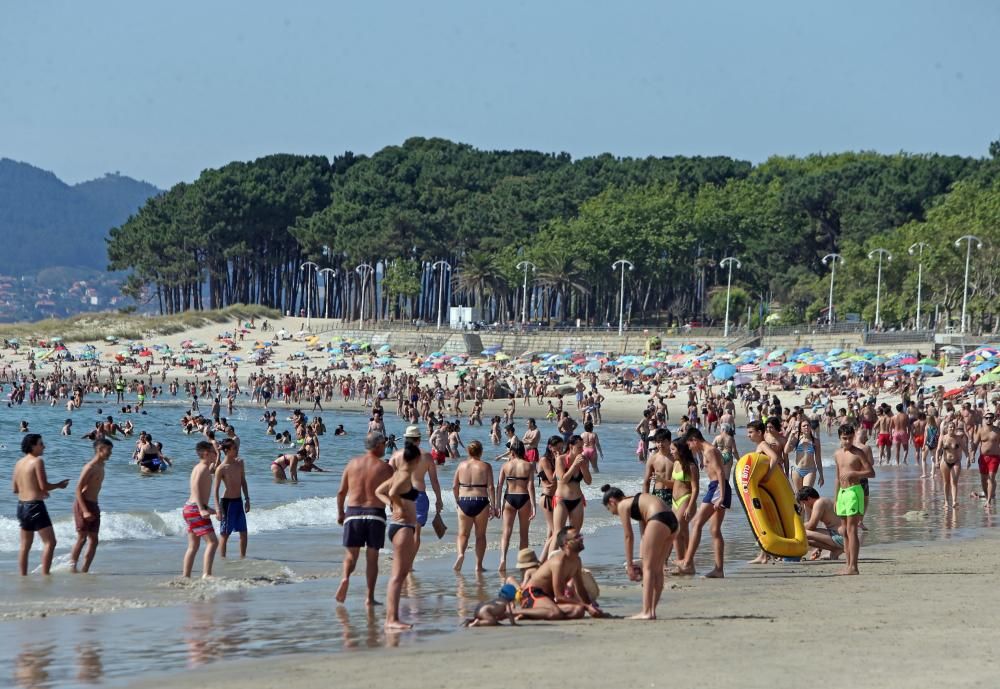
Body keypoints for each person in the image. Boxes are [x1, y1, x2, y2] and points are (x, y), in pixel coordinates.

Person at [601, 485, 677, 619]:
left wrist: (630, 565)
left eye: (609, 508)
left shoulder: (622, 505)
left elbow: (628, 536)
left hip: (658, 519)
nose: (612, 513)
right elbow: (645, 534)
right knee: (657, 568)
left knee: (648, 569)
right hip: (672, 521)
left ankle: (646, 612)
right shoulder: (636, 500)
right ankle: (651, 611)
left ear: (612, 501)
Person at [336, 431, 394, 605]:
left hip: (353, 513)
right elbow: (393, 493)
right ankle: (369, 597)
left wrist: (340, 513)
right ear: (377, 446)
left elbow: (341, 492)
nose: (385, 446)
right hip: (375, 514)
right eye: (384, 443)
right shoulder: (385, 468)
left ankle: (345, 578)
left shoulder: (352, 464)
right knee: (372, 557)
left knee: (350, 556)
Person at [376, 442, 422, 629]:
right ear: (416, 460)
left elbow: (379, 491)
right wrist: (399, 506)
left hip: (400, 526)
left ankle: (392, 618)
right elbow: (393, 492)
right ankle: (391, 619)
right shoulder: (402, 476)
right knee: (397, 576)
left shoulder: (399, 475)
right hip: (402, 527)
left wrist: (390, 504)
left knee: (400, 574)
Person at [516, 526, 603, 621]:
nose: (581, 538)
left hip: (547, 598)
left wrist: (592, 606)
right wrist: (586, 606)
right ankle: (515, 611)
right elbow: (559, 596)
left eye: (580, 535)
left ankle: (535, 613)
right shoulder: (558, 562)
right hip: (532, 594)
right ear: (566, 543)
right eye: (577, 537)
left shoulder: (577, 561)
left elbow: (580, 589)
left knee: (578, 611)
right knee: (555, 613)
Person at [675, 428, 730, 578]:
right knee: (714, 530)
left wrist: (721, 496)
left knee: (696, 523)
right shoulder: (706, 450)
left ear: (695, 440)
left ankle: (686, 562)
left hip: (718, 488)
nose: (689, 448)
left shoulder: (710, 451)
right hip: (718, 487)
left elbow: (719, 472)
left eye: (689, 444)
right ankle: (719, 570)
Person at [13, 434, 69, 576]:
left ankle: (23, 576)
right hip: (35, 507)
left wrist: (34, 490)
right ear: (32, 446)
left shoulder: (19, 463)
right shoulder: (37, 461)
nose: (44, 446)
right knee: (50, 542)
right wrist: (59, 485)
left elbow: (15, 489)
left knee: (25, 546)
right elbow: (44, 485)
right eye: (41, 444)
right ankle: (45, 575)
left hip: (21, 506)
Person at [392, 426, 444, 555]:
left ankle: (400, 559)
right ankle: (409, 564)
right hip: (418, 496)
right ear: (419, 440)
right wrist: (439, 499)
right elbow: (434, 481)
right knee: (416, 532)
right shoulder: (426, 456)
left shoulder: (397, 455)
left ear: (406, 439)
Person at [833, 424, 875, 575]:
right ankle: (847, 565)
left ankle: (854, 567)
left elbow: (871, 472)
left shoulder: (858, 453)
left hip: (854, 491)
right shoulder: (837, 454)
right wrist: (836, 498)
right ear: (839, 438)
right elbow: (837, 477)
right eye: (844, 438)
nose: (848, 441)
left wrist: (854, 474)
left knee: (851, 530)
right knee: (844, 531)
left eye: (850, 438)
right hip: (843, 493)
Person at [70, 439, 112, 573]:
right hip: (83, 504)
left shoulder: (102, 466)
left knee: (94, 539)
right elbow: (78, 489)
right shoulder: (90, 467)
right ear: (100, 450)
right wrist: (85, 510)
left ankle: (85, 570)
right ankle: (72, 568)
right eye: (108, 450)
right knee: (82, 538)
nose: (110, 453)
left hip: (94, 504)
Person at [452, 440, 495, 572]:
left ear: (468, 451)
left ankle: (460, 554)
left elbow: (454, 486)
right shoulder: (486, 466)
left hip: (464, 501)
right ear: (481, 451)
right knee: (480, 535)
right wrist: (494, 506)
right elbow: (491, 487)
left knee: (463, 534)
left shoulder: (461, 465)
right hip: (481, 500)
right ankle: (479, 566)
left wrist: (457, 501)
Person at [496, 438, 536, 571]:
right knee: (524, 534)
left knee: (506, 532)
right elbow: (530, 486)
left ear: (512, 452)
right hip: (524, 498)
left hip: (509, 498)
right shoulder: (528, 465)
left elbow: (499, 486)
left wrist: (497, 504)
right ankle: (522, 562)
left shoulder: (506, 466)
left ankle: (502, 559)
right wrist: (534, 506)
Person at [181, 441, 219, 578]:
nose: (216, 454)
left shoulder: (201, 467)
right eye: (214, 452)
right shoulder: (202, 468)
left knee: (193, 545)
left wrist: (208, 508)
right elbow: (196, 487)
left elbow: (198, 492)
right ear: (206, 453)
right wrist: (201, 508)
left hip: (190, 508)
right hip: (195, 509)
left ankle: (186, 576)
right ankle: (207, 574)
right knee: (213, 542)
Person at [549, 435, 591, 556]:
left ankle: (572, 563)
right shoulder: (560, 460)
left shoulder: (584, 460)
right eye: (579, 447)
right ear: (571, 447)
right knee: (558, 533)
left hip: (577, 500)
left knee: (575, 534)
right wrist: (573, 466)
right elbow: (562, 480)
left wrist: (583, 467)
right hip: (561, 500)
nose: (582, 449)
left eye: (582, 446)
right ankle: (550, 563)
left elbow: (588, 481)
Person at [213, 438, 250, 558]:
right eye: (234, 448)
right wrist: (218, 509)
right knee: (225, 534)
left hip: (238, 501)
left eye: (236, 447)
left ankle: (242, 558)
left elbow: (243, 482)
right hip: (227, 503)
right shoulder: (221, 468)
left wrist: (247, 499)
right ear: (227, 450)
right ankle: (223, 559)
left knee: (244, 533)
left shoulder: (240, 463)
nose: (237, 450)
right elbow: (215, 491)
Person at [668, 438, 699, 566]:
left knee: (678, 530)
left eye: (673, 449)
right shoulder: (675, 464)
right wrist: (659, 480)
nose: (671, 452)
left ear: (680, 450)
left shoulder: (691, 466)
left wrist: (690, 507)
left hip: (686, 499)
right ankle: (684, 560)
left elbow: (696, 488)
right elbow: (673, 483)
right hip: (674, 502)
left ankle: (684, 561)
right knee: (680, 532)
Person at [795, 486, 845, 560]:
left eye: (804, 503)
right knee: (808, 540)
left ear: (809, 498)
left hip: (841, 537)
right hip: (843, 536)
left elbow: (811, 526)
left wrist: (795, 527)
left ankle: (794, 554)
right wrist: (819, 548)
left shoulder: (819, 503)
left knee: (802, 532)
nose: (806, 506)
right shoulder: (824, 501)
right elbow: (827, 528)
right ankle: (836, 550)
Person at [784, 419, 824, 491]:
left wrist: (821, 475)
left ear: (810, 427)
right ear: (801, 429)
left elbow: (818, 459)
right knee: (798, 495)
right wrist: (790, 437)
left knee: (806, 493)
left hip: (810, 470)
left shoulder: (815, 441)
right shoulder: (797, 439)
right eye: (804, 426)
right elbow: (786, 451)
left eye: (808, 425)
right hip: (797, 470)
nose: (806, 427)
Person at [936, 421, 967, 509]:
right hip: (944, 462)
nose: (952, 429)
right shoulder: (943, 437)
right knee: (946, 482)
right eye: (950, 427)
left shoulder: (958, 438)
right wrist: (936, 461)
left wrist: (968, 458)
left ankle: (954, 501)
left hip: (956, 461)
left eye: (953, 427)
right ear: (947, 429)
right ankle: (946, 501)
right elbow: (938, 450)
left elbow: (965, 448)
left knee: (954, 482)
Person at [973, 412, 1000, 507]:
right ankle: (988, 495)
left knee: (991, 478)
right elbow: (975, 444)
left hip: (995, 457)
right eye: (987, 418)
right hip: (983, 458)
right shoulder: (981, 431)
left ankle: (988, 501)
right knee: (983, 480)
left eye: (990, 418)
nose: (989, 419)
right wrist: (972, 455)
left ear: (993, 419)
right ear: (984, 419)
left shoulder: (997, 431)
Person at [642, 428, 673, 505]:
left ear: (669, 441)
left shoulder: (676, 458)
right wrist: (645, 500)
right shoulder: (653, 459)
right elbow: (646, 482)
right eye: (658, 442)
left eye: (663, 441)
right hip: (658, 493)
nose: (660, 444)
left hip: (674, 493)